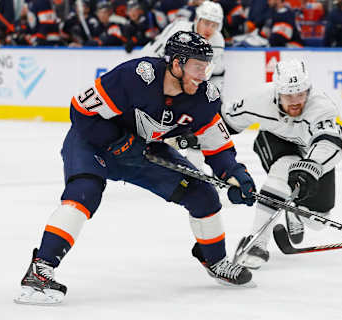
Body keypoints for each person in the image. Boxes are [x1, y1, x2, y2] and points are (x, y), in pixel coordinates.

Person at [14, 31, 257, 306]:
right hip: (92, 141)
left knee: (203, 195)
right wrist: (115, 141)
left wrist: (235, 174)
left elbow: (218, 146)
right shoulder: (135, 76)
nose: (203, 75)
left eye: (207, 67)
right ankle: (40, 269)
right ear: (176, 64)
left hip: (141, 149)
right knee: (84, 193)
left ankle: (215, 260)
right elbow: (81, 110)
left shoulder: (205, 98)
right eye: (197, 67)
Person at [220, 59, 342, 269]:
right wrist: (198, 136)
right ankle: (256, 243)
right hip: (275, 141)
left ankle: (294, 210)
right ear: (277, 93)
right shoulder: (259, 98)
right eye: (288, 95)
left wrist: (311, 166)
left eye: (300, 93)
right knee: (283, 169)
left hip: (311, 155)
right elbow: (225, 122)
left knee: (317, 221)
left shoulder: (322, 107)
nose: (295, 100)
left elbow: (329, 143)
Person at [140, 0, 225, 94]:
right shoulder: (179, 30)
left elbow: (216, 73)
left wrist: (215, 96)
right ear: (197, 19)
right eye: (207, 23)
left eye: (214, 25)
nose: (210, 29)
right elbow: (157, 57)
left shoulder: (217, 40)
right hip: (147, 66)